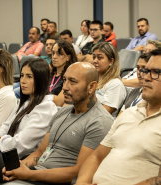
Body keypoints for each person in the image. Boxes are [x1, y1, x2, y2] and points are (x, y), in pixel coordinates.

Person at [0, 62, 114, 184]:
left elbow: (78, 172)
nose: (64, 87)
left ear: (91, 87)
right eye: (64, 80)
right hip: (37, 173)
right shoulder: (62, 112)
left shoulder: (99, 122)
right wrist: (20, 168)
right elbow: (40, 152)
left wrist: (28, 174)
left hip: (54, 181)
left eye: (73, 82)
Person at [75, 49, 161, 185]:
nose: (146, 77)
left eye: (156, 72)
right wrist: (82, 183)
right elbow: (97, 156)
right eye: (146, 71)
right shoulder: (129, 113)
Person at [0, 58, 59, 184]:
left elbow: (21, 145)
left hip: (19, 159)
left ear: (41, 80)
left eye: (29, 77)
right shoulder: (26, 102)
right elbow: (6, 125)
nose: (22, 81)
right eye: (22, 76)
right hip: (5, 150)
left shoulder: (46, 107)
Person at [92, 42, 126, 117]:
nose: (95, 61)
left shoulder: (115, 84)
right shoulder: (92, 80)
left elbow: (103, 114)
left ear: (111, 61)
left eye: (99, 58)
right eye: (94, 57)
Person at [50, 39, 77, 106]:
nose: (54, 57)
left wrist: (40, 97)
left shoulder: (71, 78)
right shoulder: (49, 74)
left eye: (59, 54)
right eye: (53, 53)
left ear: (68, 57)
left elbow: (58, 101)